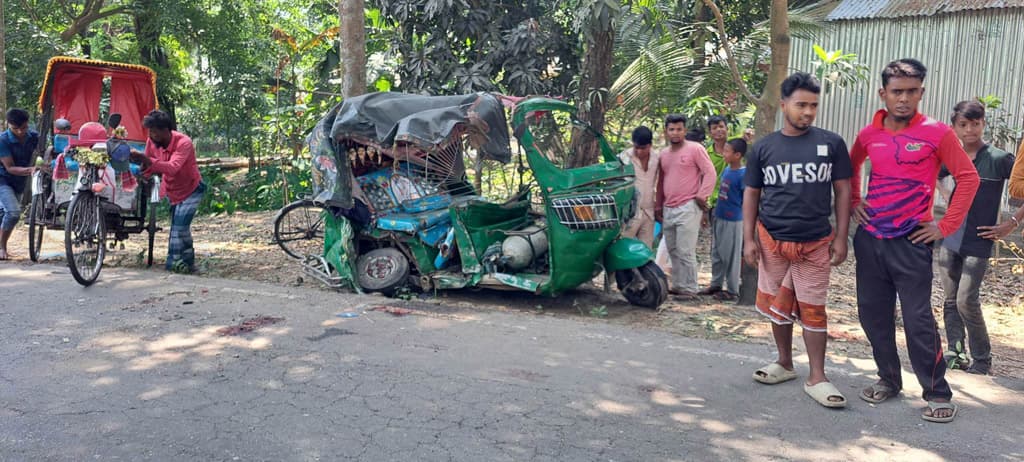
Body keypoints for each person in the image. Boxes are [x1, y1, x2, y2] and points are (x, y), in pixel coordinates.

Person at [850, 59, 979, 423]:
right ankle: (888, 379)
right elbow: (851, 166)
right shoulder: (868, 135)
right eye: (897, 92)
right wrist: (856, 202)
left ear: (921, 92)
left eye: (911, 92)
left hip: (912, 241)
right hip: (871, 239)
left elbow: (968, 178)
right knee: (873, 315)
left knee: (917, 318)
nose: (904, 99)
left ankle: (937, 392)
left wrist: (944, 226)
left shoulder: (937, 133)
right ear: (883, 94)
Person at [743, 72, 852, 409]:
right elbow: (752, 193)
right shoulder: (763, 147)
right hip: (771, 240)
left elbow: (843, 190)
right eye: (801, 104)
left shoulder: (832, 144)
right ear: (784, 104)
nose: (808, 112)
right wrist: (748, 238)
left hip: (816, 242)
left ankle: (817, 376)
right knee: (779, 307)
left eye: (814, 106)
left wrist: (842, 237)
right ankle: (784, 362)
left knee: (814, 310)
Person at [935, 101, 1022, 375]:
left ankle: (982, 360)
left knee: (965, 300)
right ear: (955, 128)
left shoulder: (998, 159)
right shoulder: (953, 157)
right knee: (950, 300)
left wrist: (1011, 223)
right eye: (963, 124)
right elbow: (932, 175)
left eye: (975, 123)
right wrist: (945, 194)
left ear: (983, 123)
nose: (970, 129)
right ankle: (956, 353)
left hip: (979, 241)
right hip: (950, 239)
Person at [129, 110, 206, 273]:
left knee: (178, 227)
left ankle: (173, 264)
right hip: (172, 190)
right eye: (150, 131)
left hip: (192, 189)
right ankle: (189, 263)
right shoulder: (152, 142)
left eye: (154, 132)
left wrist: (146, 160)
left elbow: (172, 168)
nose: (151, 135)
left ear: (165, 130)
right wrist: (141, 172)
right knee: (181, 227)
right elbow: (149, 167)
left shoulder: (183, 143)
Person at [655, 114, 716, 300]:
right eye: (672, 129)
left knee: (685, 249)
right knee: (672, 249)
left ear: (684, 130)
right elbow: (661, 182)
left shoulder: (695, 149)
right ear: (666, 131)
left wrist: (702, 195)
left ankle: (690, 289)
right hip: (669, 207)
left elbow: (710, 172)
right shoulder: (664, 154)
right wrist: (658, 206)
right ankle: (679, 285)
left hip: (689, 206)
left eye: (679, 129)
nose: (675, 133)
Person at [708, 138, 746, 301]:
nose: (723, 154)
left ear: (737, 155)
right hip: (720, 215)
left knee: (731, 255)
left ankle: (732, 289)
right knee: (716, 252)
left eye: (727, 151)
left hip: (733, 219)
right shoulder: (727, 170)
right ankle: (716, 283)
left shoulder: (743, 174)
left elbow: (746, 199)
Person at [0, 109, 41, 260]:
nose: (19, 132)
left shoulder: (34, 137)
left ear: (27, 124)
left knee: (5, 215)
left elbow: (44, 151)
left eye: (23, 128)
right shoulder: (3, 140)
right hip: (3, 180)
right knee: (13, 213)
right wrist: (30, 169)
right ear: (9, 126)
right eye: (15, 128)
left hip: (19, 182)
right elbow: (9, 168)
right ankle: (2, 247)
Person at [698, 115, 732, 296]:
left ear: (727, 127)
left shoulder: (737, 148)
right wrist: (704, 210)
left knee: (736, 246)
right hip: (714, 204)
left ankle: (734, 284)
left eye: (721, 126)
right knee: (717, 245)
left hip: (735, 204)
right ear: (710, 133)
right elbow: (703, 179)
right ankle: (716, 283)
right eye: (714, 128)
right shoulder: (705, 153)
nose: (718, 130)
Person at [618, 126, 659, 248]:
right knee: (623, 248)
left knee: (645, 250)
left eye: (643, 148)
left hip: (648, 212)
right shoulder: (624, 158)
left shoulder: (656, 158)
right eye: (637, 147)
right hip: (630, 213)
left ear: (650, 145)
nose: (640, 151)